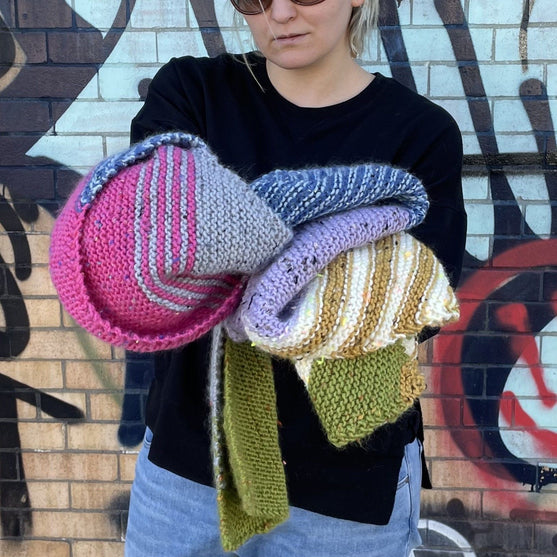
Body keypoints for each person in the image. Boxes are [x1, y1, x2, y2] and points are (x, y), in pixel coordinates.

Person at [123, 1, 467, 555]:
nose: (279, 13)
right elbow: (150, 243)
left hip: (347, 485)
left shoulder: (419, 132)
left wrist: (232, 244)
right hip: (188, 472)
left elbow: (417, 301)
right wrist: (333, 261)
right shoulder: (192, 93)